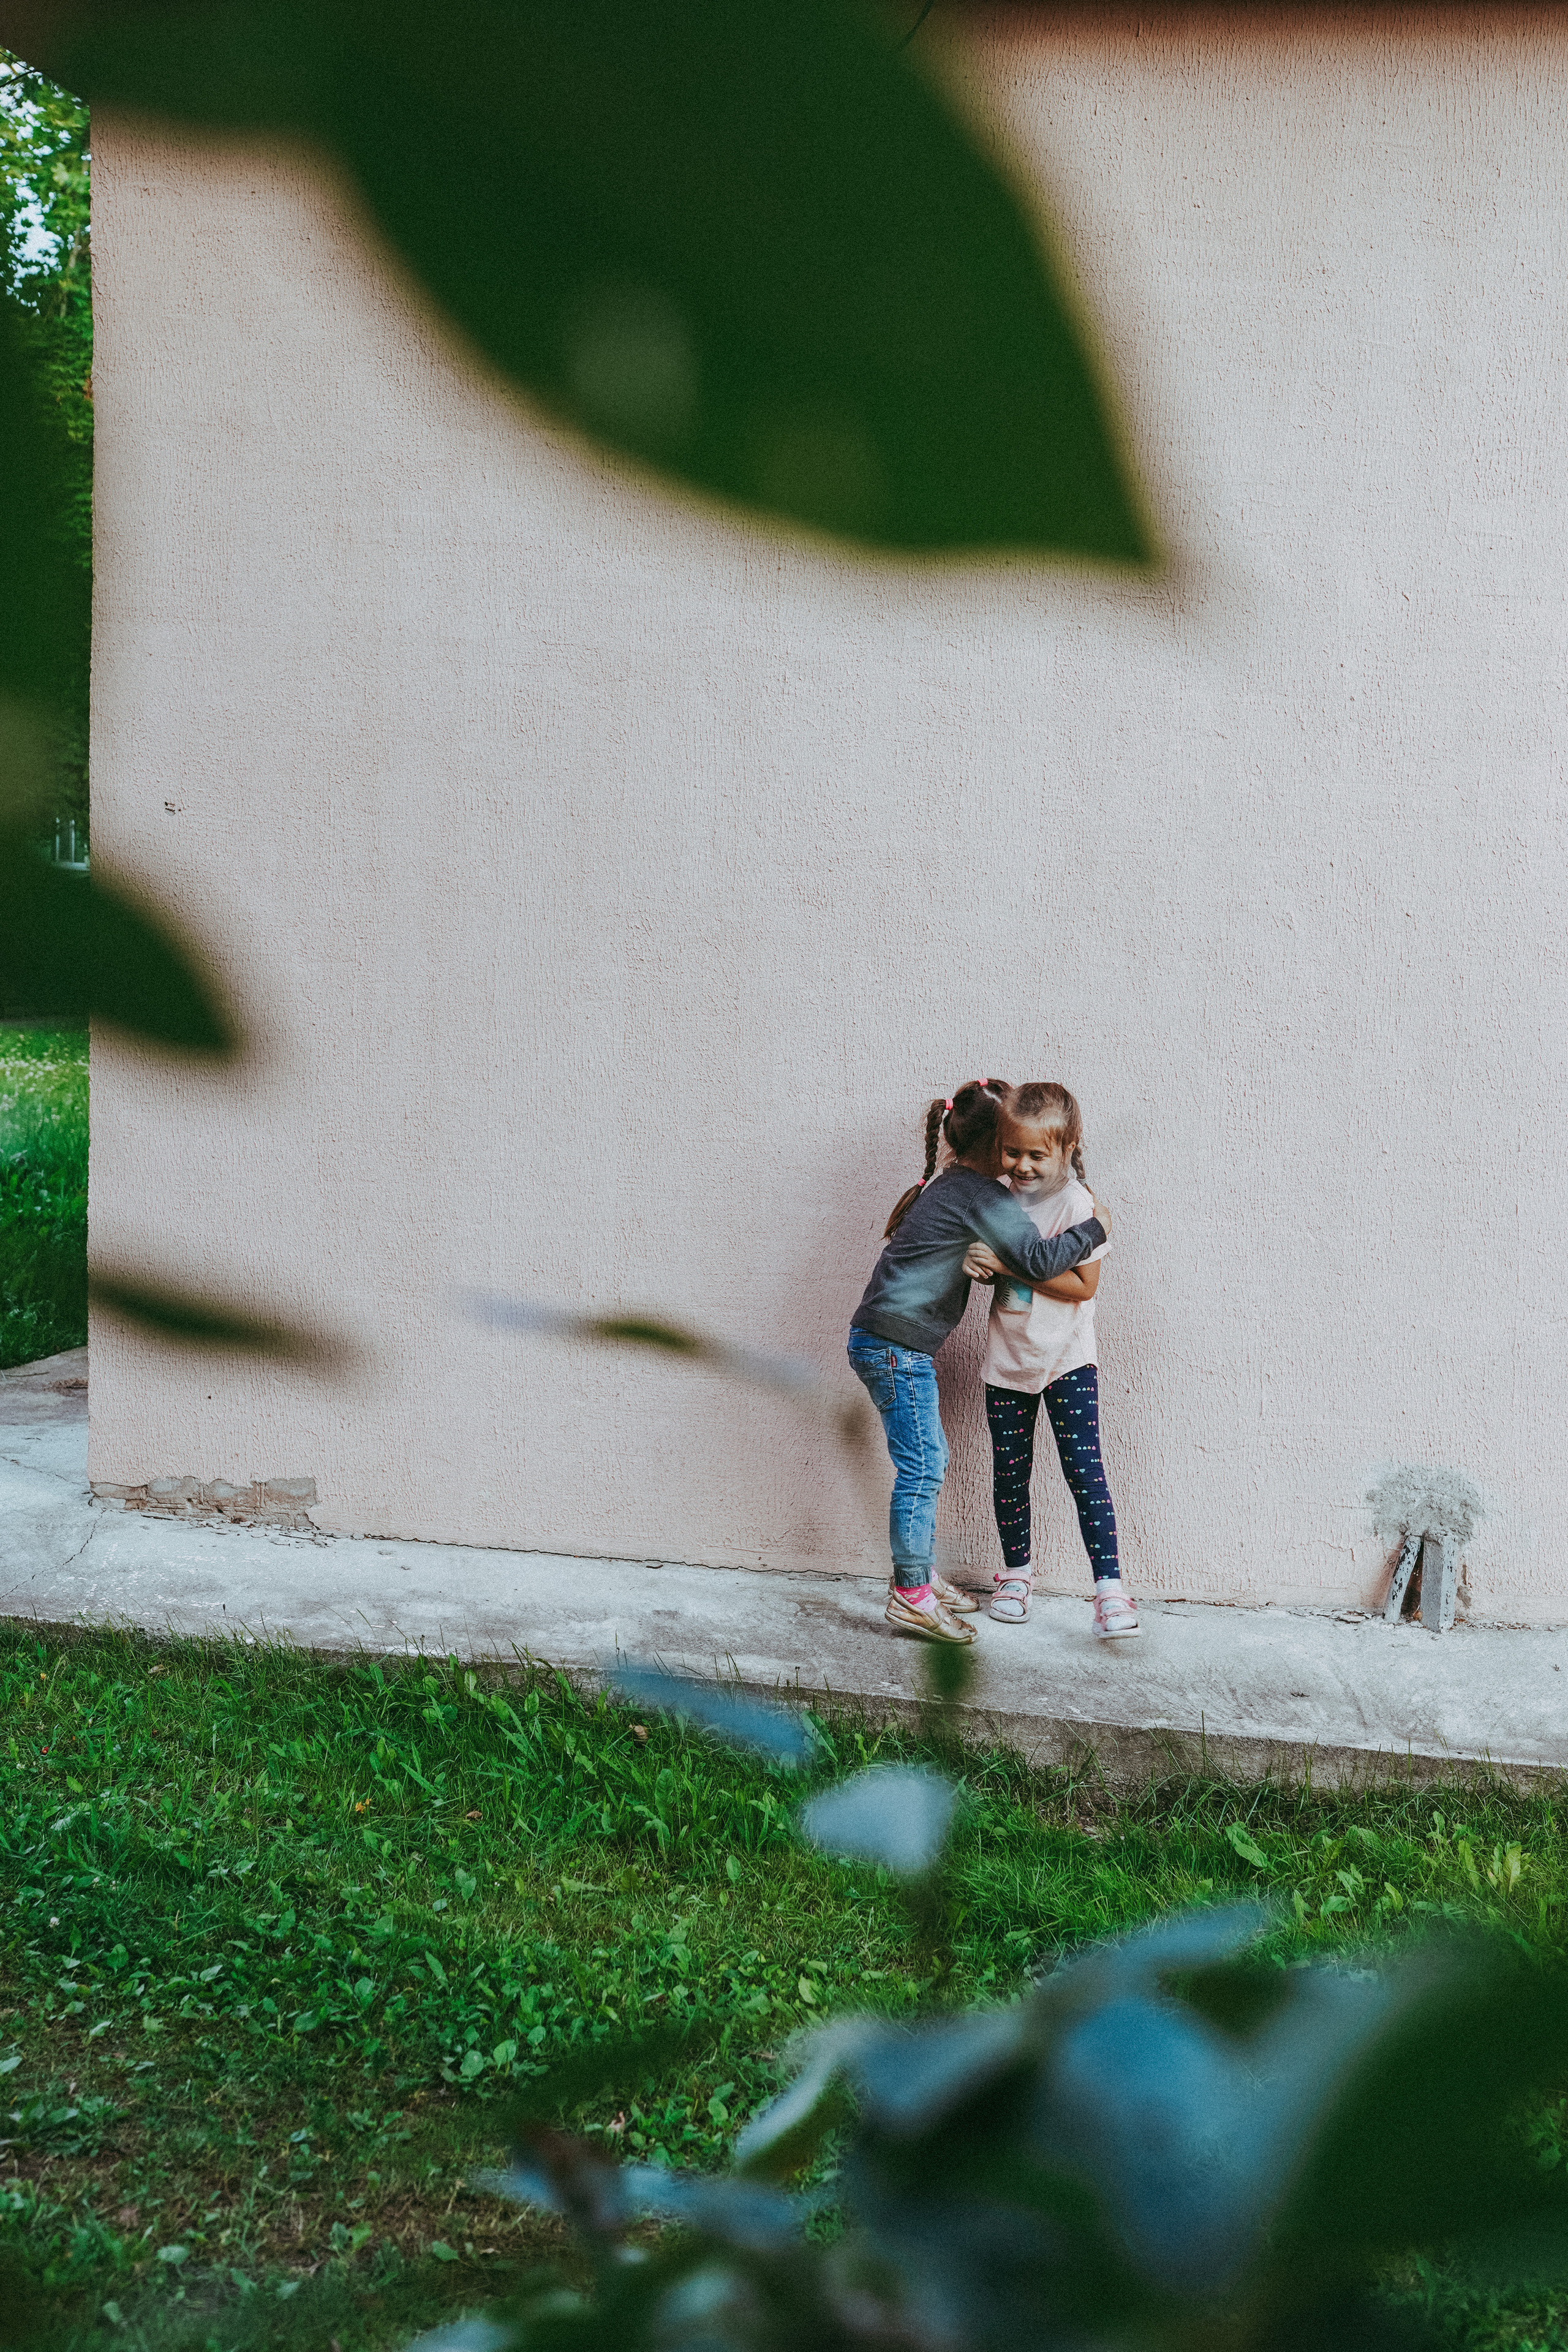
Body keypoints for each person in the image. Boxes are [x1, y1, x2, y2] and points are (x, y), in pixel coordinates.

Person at [847, 1079, 1110, 1645]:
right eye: (1012, 1146)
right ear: (996, 1144)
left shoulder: (951, 1185)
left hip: (883, 1341)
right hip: (895, 1348)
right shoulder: (983, 1196)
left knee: (925, 1462)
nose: (1019, 1161)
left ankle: (921, 1578)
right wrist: (1096, 1229)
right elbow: (1039, 1258)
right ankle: (911, 1595)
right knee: (922, 1468)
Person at [962, 1082, 1134, 1638]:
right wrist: (975, 1263)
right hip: (1008, 1361)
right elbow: (977, 1257)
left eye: (1038, 1154)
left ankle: (1109, 1589)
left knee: (1084, 1473)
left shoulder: (1079, 1206)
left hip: (1068, 1362)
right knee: (1010, 1474)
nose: (1024, 1165)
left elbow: (1084, 1286)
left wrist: (1010, 1267)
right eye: (1014, 1152)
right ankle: (1016, 1574)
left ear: (1068, 1147)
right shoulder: (996, 1199)